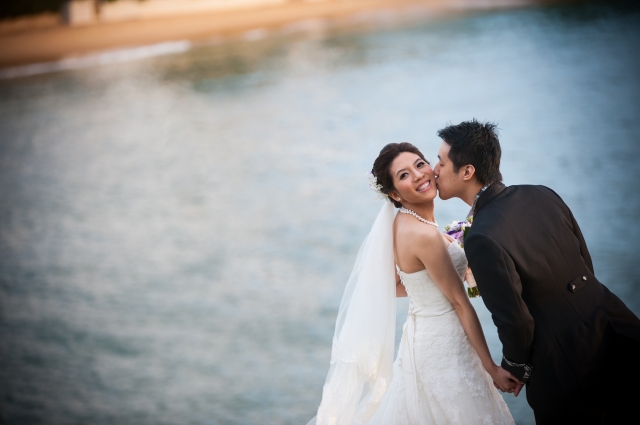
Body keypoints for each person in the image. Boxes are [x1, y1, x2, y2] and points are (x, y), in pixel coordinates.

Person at [433, 119, 640, 424]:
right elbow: (584, 261)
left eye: (440, 161)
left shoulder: (482, 236)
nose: (434, 169)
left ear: (467, 171)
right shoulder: (542, 193)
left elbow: (515, 320)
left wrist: (516, 369)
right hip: (615, 324)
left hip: (566, 363)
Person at [308, 143, 515, 425]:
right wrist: (491, 368)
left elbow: (393, 282)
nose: (418, 175)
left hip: (421, 335)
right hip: (445, 344)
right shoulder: (423, 235)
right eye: (404, 175)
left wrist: (434, 287)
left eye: (420, 164)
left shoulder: (401, 224)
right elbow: (459, 303)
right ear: (393, 194)